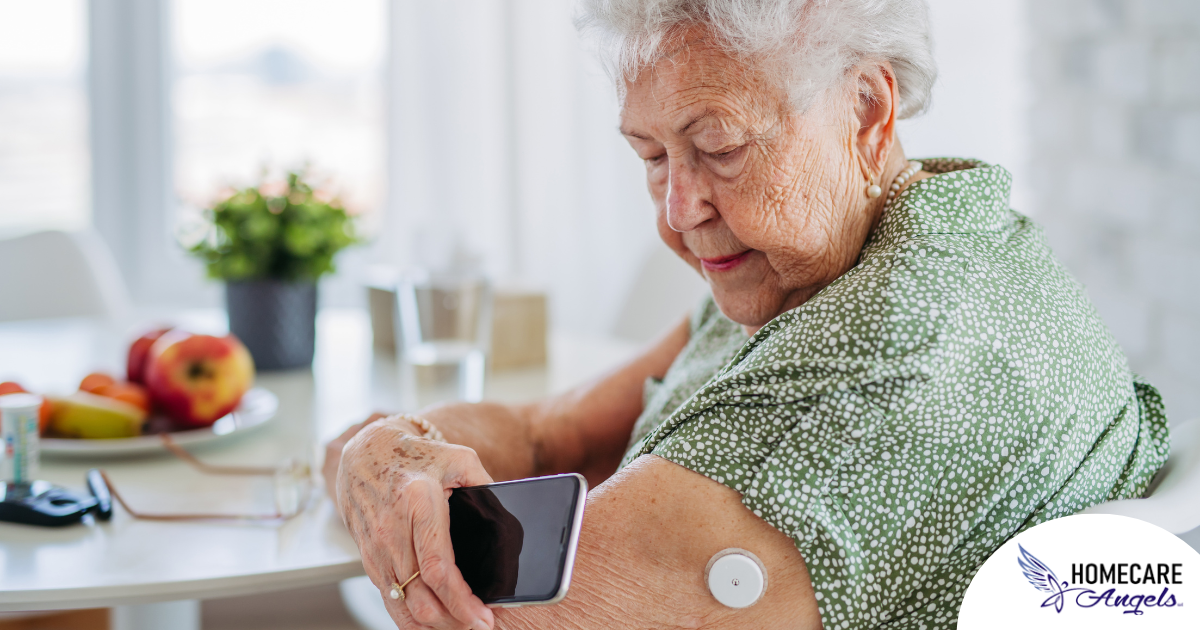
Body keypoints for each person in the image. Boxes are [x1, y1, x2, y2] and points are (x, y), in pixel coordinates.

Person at [323, 1, 1170, 628]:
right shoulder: (871, 250)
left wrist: (376, 460)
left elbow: (498, 612)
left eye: (720, 147)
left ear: (867, 112)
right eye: (652, 157)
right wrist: (390, 454)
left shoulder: (882, 353)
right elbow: (551, 434)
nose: (678, 209)